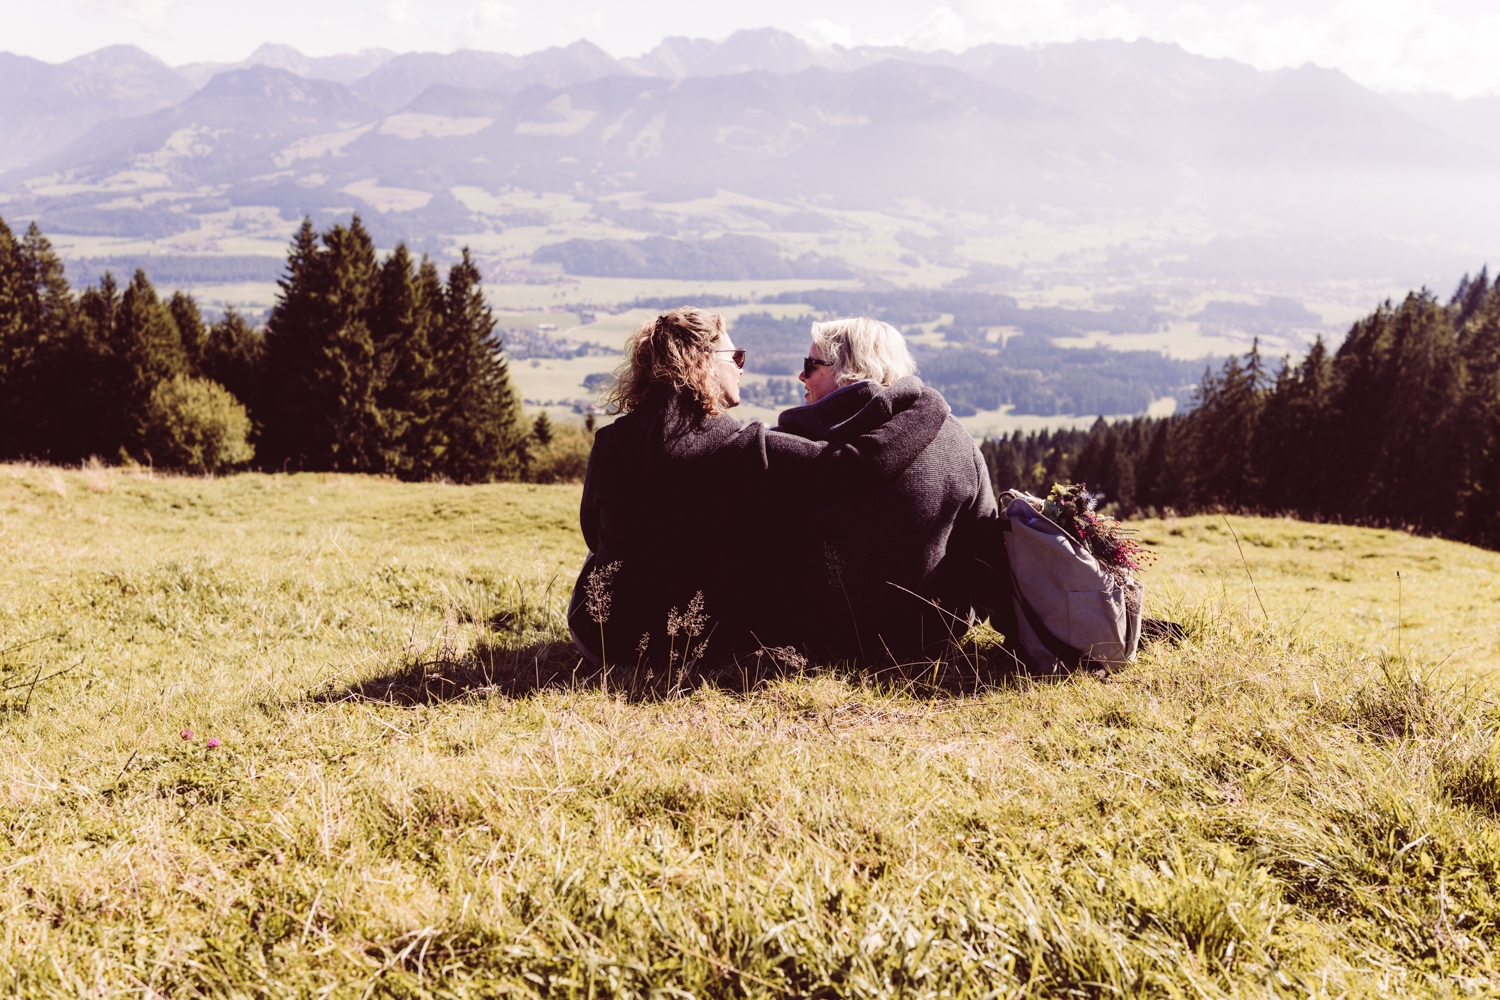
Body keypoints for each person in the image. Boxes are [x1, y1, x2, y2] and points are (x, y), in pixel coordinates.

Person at [567, 307, 947, 675]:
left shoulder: (609, 443)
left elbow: (591, 532)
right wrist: (924, 401)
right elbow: (862, 463)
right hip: (696, 646)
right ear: (702, 361)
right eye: (736, 356)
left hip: (601, 639)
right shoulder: (745, 450)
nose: (741, 367)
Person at [776, 317, 997, 662]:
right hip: (930, 642)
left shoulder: (790, 449)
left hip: (812, 647)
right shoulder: (957, 441)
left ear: (848, 370)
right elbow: (985, 553)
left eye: (811, 365)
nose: (801, 377)